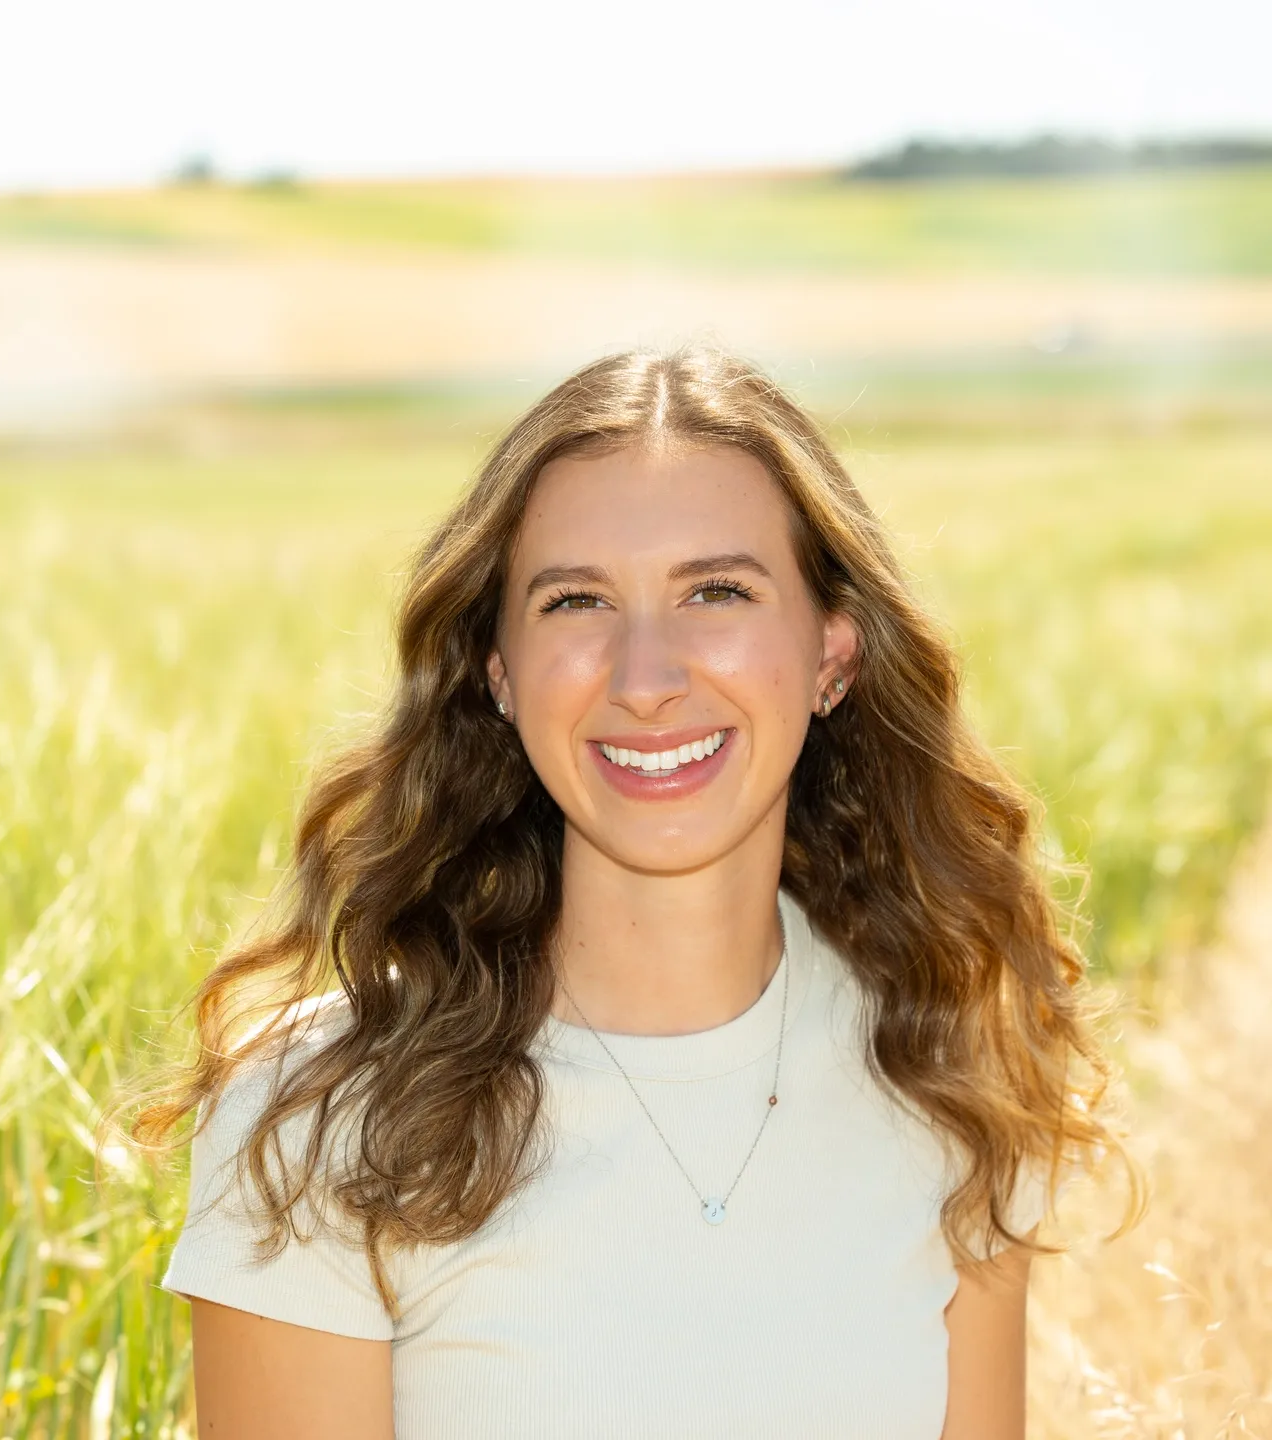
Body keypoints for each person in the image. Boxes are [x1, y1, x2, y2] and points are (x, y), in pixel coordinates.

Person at [126, 347, 1139, 1439]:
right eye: (575, 603)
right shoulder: (325, 1122)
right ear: (499, 675)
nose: (646, 676)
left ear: (831, 654)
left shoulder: (948, 1067)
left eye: (717, 592)